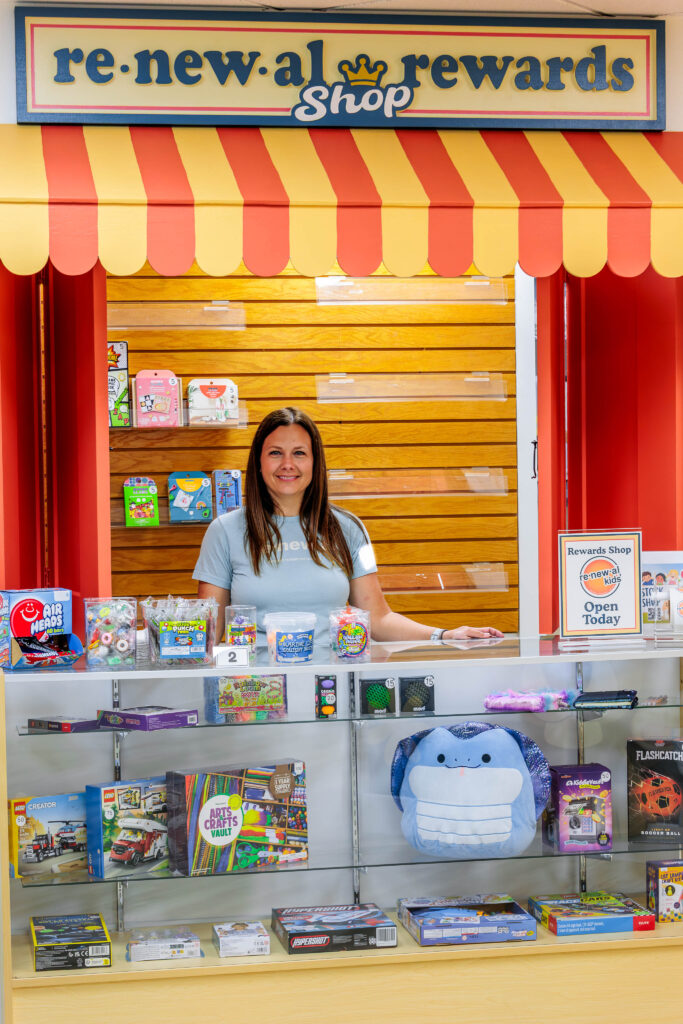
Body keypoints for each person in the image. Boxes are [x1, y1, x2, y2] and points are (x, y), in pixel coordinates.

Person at [193, 407, 504, 643]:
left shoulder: (349, 528)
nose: (287, 464)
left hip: (331, 688)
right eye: (275, 453)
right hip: (255, 694)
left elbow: (378, 619)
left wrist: (443, 635)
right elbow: (210, 632)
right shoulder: (224, 532)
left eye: (299, 453)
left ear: (315, 463)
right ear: (258, 463)